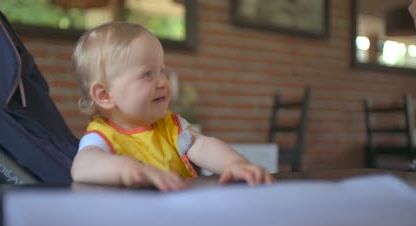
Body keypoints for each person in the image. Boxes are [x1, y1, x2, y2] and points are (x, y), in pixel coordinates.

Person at [70, 22, 274, 192]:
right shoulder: (102, 136)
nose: (163, 82)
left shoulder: (170, 125)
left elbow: (201, 145)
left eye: (162, 71)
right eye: (148, 74)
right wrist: (129, 170)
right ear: (105, 95)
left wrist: (235, 164)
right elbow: (82, 166)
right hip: (133, 221)